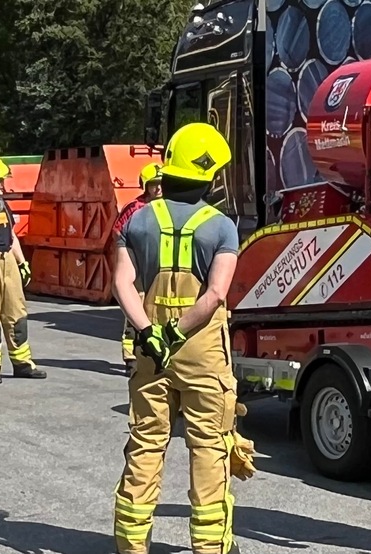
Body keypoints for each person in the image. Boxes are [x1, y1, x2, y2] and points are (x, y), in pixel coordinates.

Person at [112, 123, 252, 554]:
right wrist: (175, 332)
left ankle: (131, 544)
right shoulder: (222, 227)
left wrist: (149, 331)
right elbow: (215, 295)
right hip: (201, 352)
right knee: (209, 445)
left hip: (151, 351)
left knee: (147, 442)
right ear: (209, 174)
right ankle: (209, 547)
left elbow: (121, 281)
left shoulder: (135, 220)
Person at [0, 158, 44, 384]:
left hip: (8, 260)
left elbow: (11, 236)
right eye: (0, 181)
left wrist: (22, 263)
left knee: (17, 312)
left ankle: (22, 363)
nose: (4, 186)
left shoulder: (2, 204)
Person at [113, 163, 163, 376]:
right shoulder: (135, 208)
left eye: (161, 184)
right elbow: (117, 232)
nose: (158, 189)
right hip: (138, 266)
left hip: (160, 267)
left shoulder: (168, 206)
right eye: (153, 185)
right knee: (135, 308)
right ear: (145, 186)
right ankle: (130, 357)